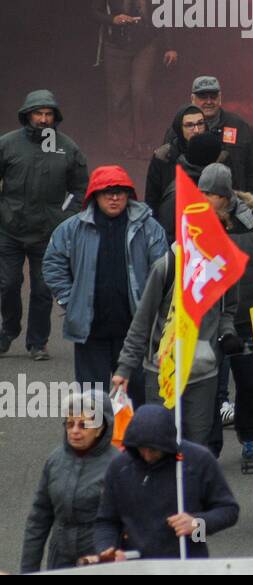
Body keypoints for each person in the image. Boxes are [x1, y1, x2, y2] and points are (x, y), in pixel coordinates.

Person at [42, 166, 167, 401]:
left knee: (138, 401)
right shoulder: (72, 229)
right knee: (92, 402)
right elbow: (52, 263)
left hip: (135, 332)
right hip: (91, 333)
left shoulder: (149, 228)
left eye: (120, 191)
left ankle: (135, 439)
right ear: (94, 196)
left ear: (129, 194)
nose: (114, 197)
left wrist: (152, 311)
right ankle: (97, 438)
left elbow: (163, 271)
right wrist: (69, 300)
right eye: (107, 192)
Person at [198, 163, 253, 467]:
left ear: (225, 195)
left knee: (250, 383)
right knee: (208, 385)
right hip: (207, 321)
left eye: (210, 194)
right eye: (202, 193)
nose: (205, 199)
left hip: (249, 320)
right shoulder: (193, 223)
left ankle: (250, 437)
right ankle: (209, 446)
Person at [111, 241, 238, 445]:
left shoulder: (222, 268)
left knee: (196, 447)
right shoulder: (167, 267)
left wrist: (227, 332)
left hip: (203, 373)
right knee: (160, 442)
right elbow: (142, 320)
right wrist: (125, 368)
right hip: (162, 373)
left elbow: (227, 311)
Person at [0, 89, 89, 361]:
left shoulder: (68, 147)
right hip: (10, 228)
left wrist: (63, 217)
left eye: (48, 114)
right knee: (8, 284)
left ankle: (38, 342)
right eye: (38, 113)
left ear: (55, 117)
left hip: (48, 233)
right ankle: (8, 330)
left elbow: (80, 189)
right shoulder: (8, 144)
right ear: (27, 115)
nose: (43, 119)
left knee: (41, 289)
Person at [91, 404, 239, 560]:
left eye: (154, 450)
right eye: (142, 448)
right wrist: (108, 550)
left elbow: (229, 510)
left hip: (187, 564)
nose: (147, 455)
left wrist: (198, 524)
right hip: (136, 565)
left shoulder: (199, 461)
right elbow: (106, 521)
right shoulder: (119, 467)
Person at [91, 0, 178, 159]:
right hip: (116, 44)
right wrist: (113, 18)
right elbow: (94, 12)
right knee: (118, 96)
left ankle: (143, 144)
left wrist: (170, 47)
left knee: (141, 92)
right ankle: (122, 144)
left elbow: (163, 14)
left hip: (144, 44)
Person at [21, 391, 119, 572]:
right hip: (60, 559)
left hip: (97, 560)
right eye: (70, 424)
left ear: (100, 429)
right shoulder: (55, 460)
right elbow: (39, 519)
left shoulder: (118, 466)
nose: (74, 431)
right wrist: (28, 570)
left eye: (83, 425)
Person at [174, 76, 253, 210]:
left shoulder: (241, 128)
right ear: (192, 99)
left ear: (220, 98)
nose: (209, 101)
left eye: (213, 96)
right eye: (203, 96)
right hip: (191, 210)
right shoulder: (179, 128)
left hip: (234, 212)